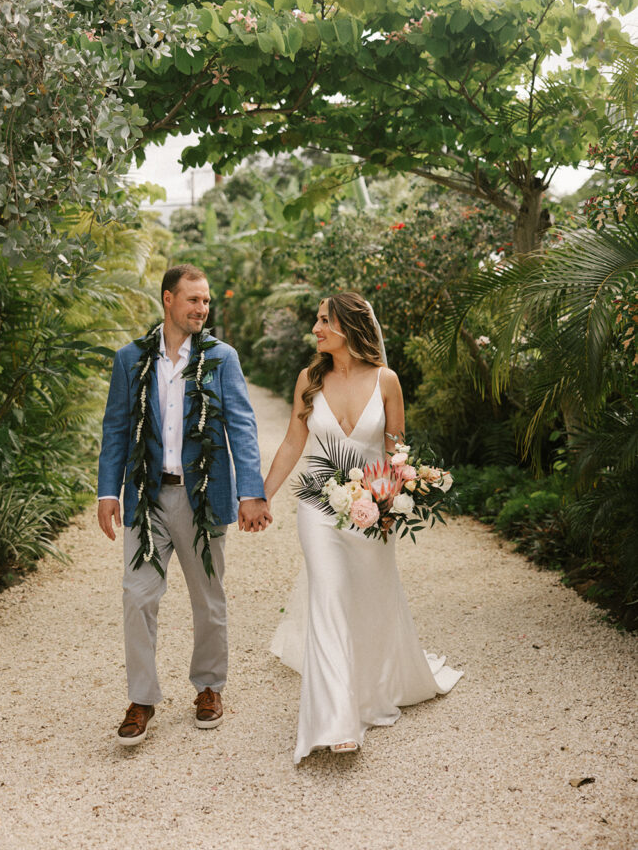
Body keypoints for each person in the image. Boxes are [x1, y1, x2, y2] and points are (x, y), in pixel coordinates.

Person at [264, 292, 462, 763]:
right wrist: (259, 494)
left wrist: (394, 498)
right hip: (317, 507)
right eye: (316, 320)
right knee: (328, 597)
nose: (315, 328)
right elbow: (295, 441)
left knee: (371, 604)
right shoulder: (309, 379)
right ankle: (335, 722)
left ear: (348, 327)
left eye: (323, 320)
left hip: (372, 512)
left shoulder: (387, 381)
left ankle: (372, 691)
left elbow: (396, 452)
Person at [97, 264, 271, 746]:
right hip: (146, 498)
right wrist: (108, 492)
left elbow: (242, 425)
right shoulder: (131, 359)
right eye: (194, 300)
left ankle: (210, 687)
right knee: (138, 596)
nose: (203, 309)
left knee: (208, 600)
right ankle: (142, 698)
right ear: (168, 300)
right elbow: (115, 429)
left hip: (202, 498)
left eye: (207, 301)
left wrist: (250, 492)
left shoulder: (222, 358)